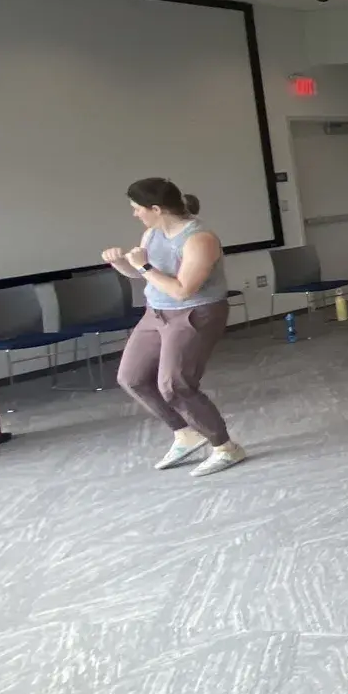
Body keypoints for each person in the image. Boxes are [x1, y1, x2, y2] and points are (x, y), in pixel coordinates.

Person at [101, 178, 245, 476]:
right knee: (132, 378)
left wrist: (143, 266)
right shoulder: (151, 233)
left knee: (175, 385)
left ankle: (226, 448)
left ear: (156, 208)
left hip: (195, 313)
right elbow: (146, 276)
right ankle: (186, 432)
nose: (134, 214)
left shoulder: (199, 238)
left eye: (137, 208)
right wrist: (121, 264)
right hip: (156, 313)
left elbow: (182, 290)